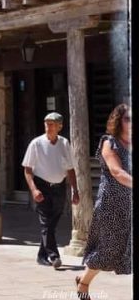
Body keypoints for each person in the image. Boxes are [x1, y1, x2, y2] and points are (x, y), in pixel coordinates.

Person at [76, 104, 132, 300]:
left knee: (124, 249)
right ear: (118, 121)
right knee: (108, 250)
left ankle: (83, 278)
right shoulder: (109, 142)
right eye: (127, 119)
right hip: (111, 204)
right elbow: (117, 172)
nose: (131, 123)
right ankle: (83, 283)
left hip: (129, 204)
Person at [22, 112, 80, 269]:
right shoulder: (36, 143)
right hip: (42, 186)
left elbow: (70, 169)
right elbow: (27, 169)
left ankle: (42, 255)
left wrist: (75, 190)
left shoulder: (64, 143)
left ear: (60, 127)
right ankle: (54, 256)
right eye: (46, 123)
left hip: (59, 187)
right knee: (46, 222)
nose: (48, 127)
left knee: (51, 224)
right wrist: (34, 190)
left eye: (52, 124)